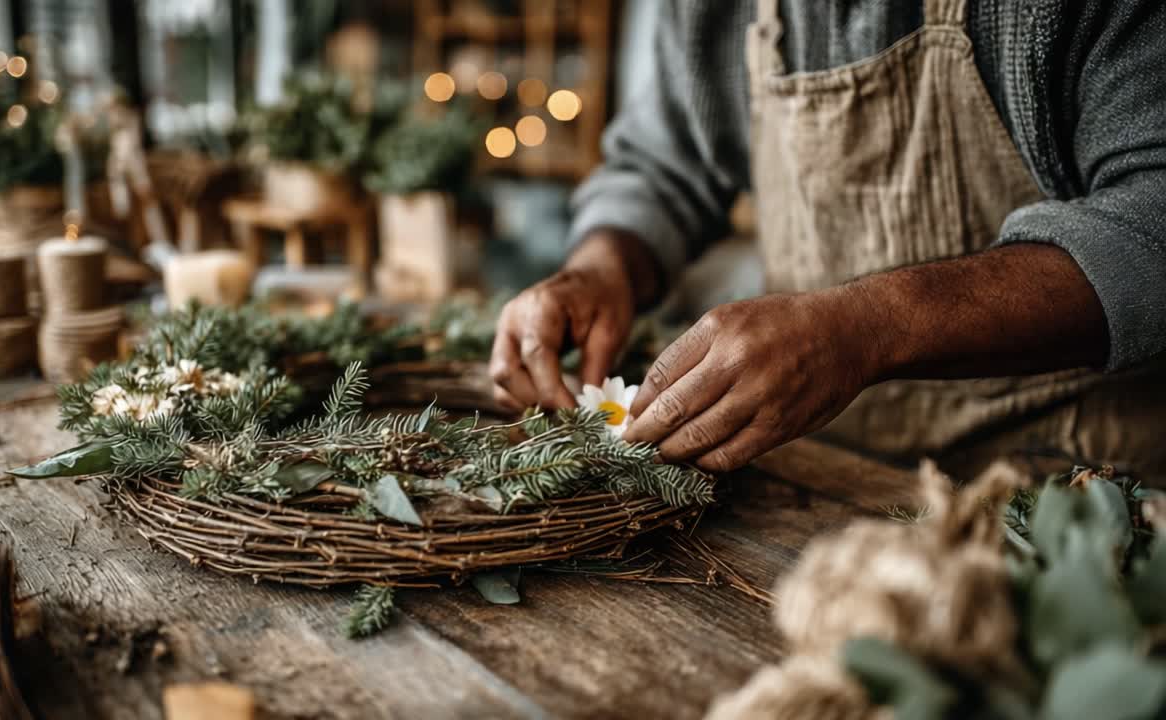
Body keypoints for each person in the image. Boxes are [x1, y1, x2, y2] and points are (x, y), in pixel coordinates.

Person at [490, 0, 1166, 480]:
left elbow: (1151, 220)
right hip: (826, 480)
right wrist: (602, 264)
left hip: (1074, 492)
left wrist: (864, 328)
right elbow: (664, 167)